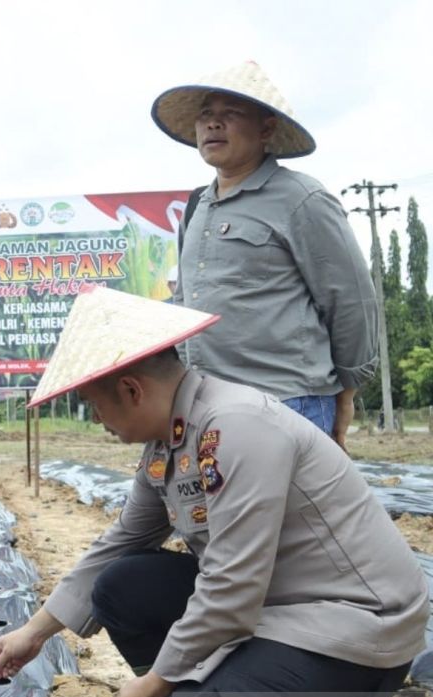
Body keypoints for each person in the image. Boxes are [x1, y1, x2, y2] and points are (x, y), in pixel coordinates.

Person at [0, 286, 427, 697]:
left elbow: (233, 587)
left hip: (351, 631)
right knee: (123, 588)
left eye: (92, 404)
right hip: (277, 611)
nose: (98, 420)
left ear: (131, 390)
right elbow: (122, 540)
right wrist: (36, 633)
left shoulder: (236, 427)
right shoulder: (171, 441)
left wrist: (156, 688)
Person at [152, 61, 378, 450]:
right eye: (206, 114)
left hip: (289, 403)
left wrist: (347, 391)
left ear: (266, 129)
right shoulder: (196, 208)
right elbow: (184, 304)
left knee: (290, 513)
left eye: (231, 114)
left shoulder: (302, 200)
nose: (213, 124)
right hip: (208, 406)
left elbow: (351, 301)